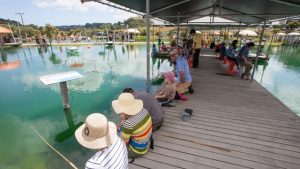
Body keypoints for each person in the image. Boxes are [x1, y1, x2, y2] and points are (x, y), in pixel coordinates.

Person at [112, 93, 153, 159]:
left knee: (112, 142)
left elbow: (123, 143)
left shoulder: (128, 123)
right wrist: (122, 123)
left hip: (136, 151)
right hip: (146, 144)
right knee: (119, 129)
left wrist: (114, 132)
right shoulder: (144, 110)